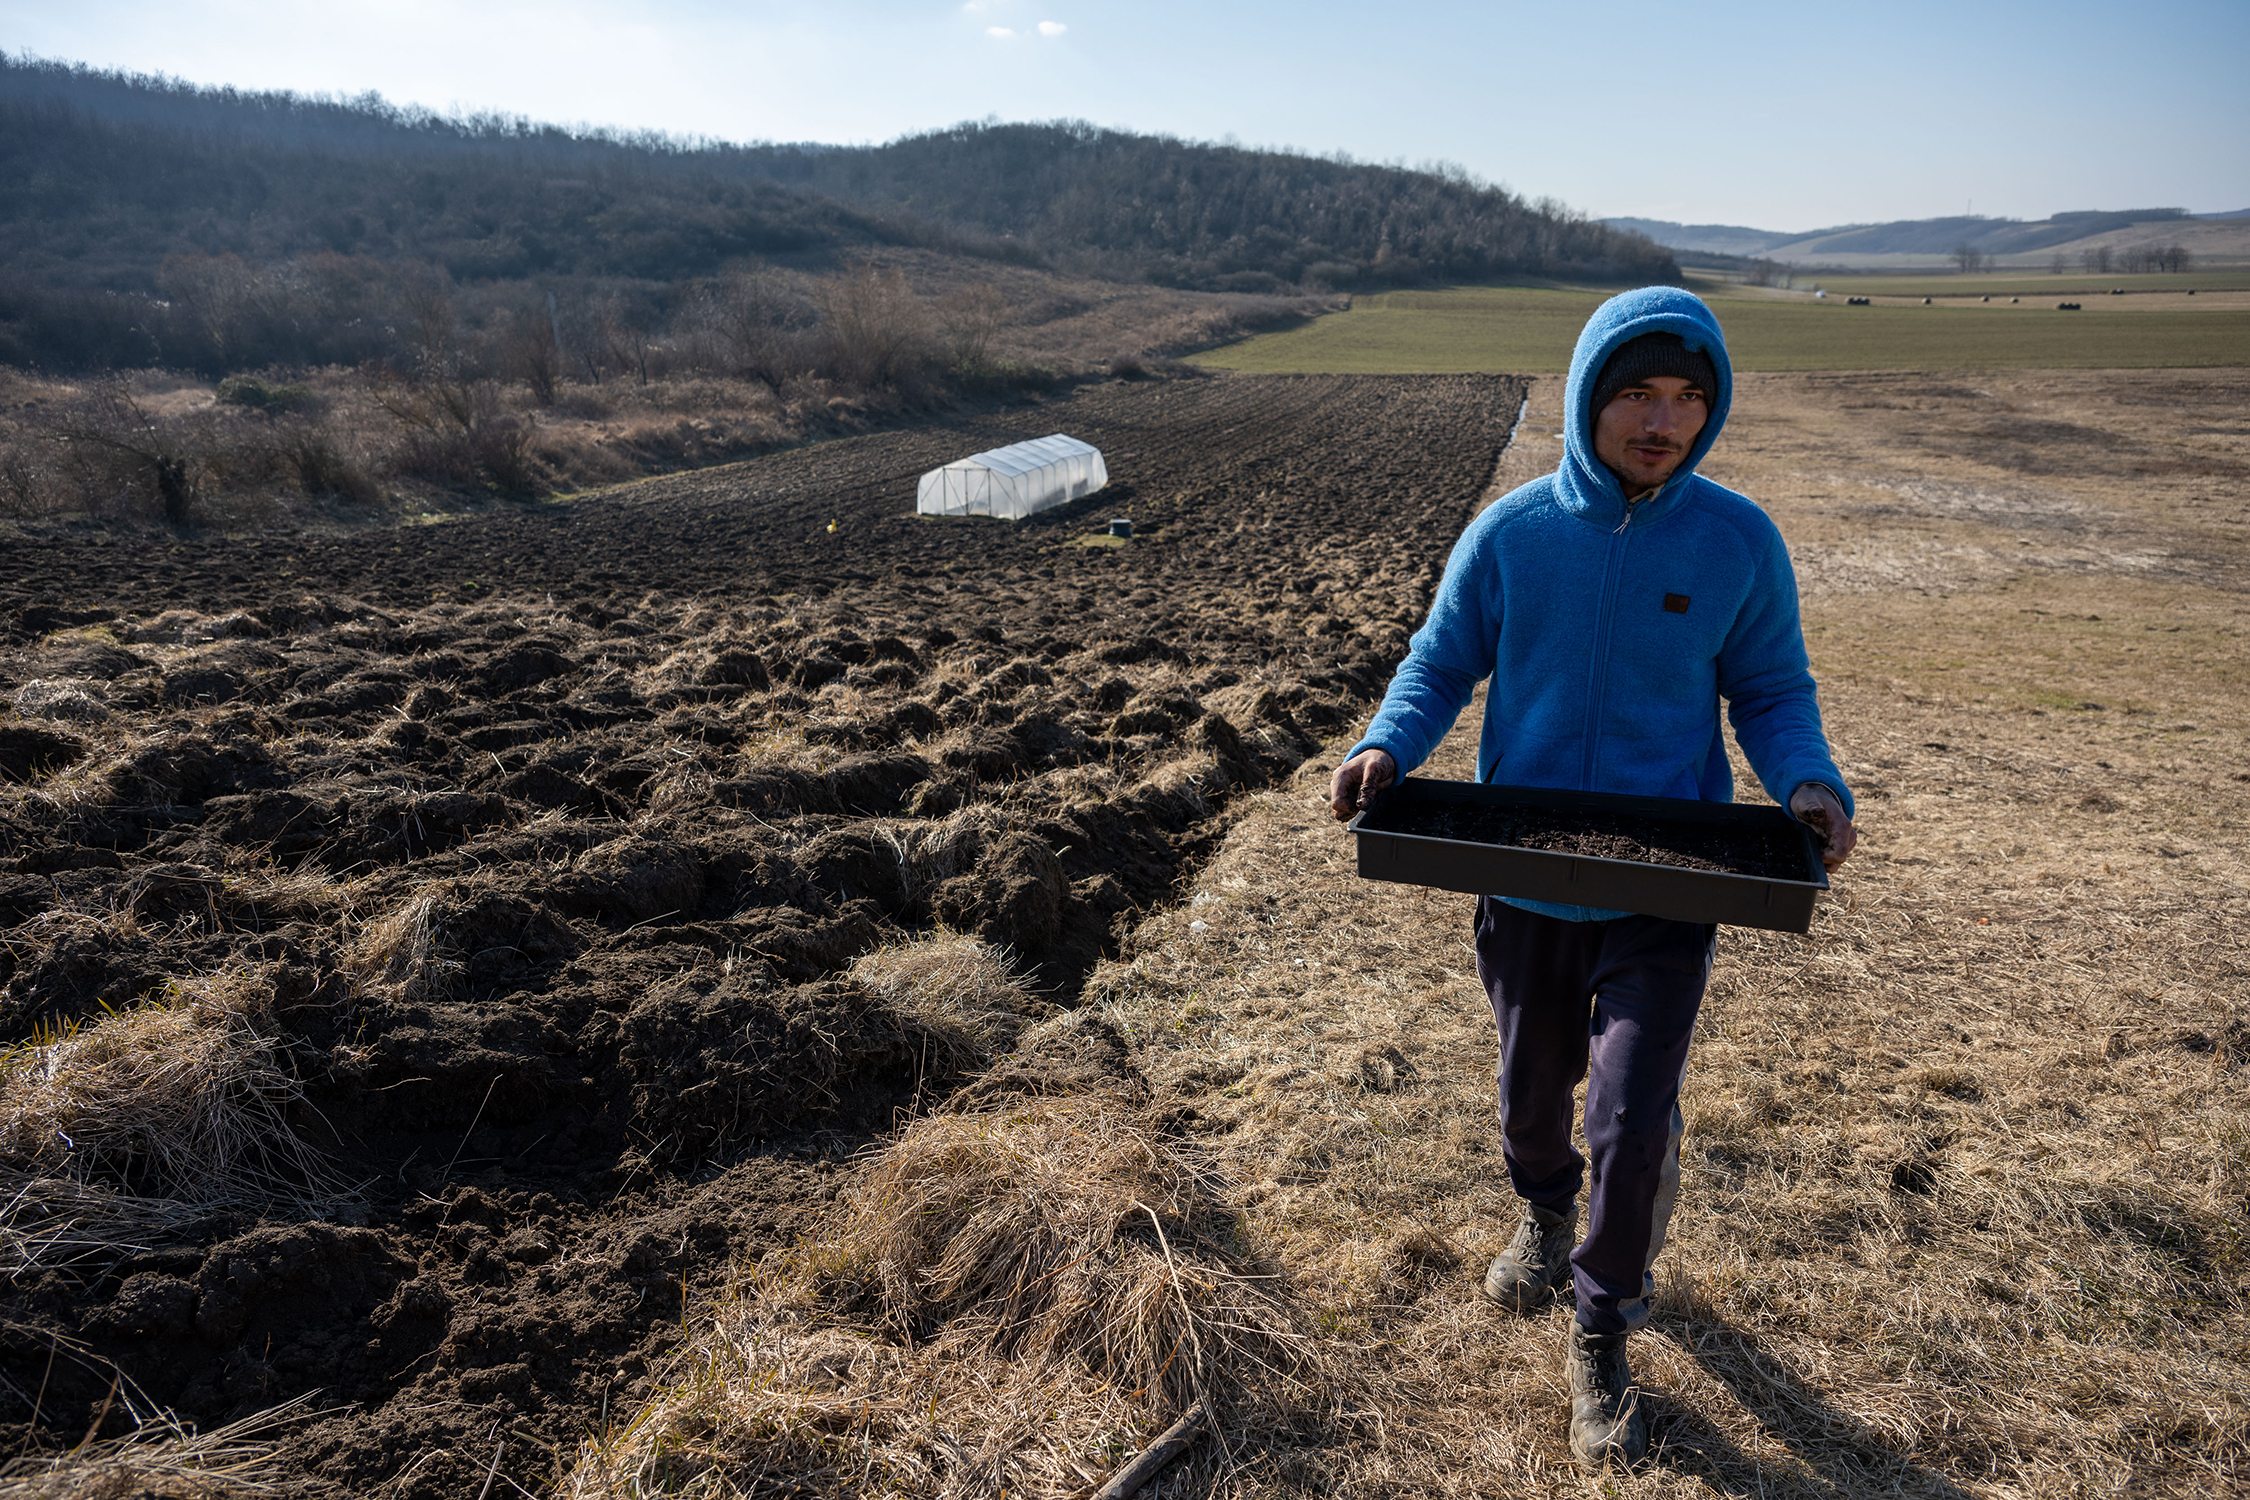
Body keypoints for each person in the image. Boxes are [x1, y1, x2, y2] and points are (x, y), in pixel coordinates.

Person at [1327, 286, 1856, 1468]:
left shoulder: (1736, 542)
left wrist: (1811, 783)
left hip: (1674, 879)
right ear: (1586, 399)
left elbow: (1770, 691)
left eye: (1688, 399)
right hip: (1521, 868)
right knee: (1532, 1094)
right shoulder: (1513, 535)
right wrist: (1382, 746)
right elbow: (1439, 660)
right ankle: (1539, 1209)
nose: (1663, 420)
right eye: (1637, 393)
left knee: (1629, 1111)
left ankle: (1603, 1324)